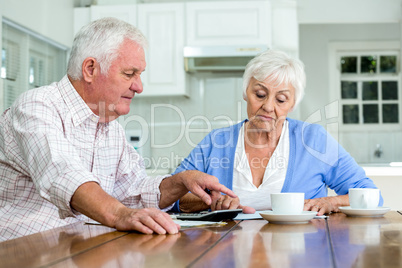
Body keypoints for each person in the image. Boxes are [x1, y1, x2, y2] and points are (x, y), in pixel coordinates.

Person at [0, 17, 237, 241]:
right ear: (90, 69)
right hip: (23, 251)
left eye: (140, 74)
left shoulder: (110, 128)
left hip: (79, 250)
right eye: (129, 74)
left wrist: (180, 181)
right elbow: (63, 174)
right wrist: (120, 215)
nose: (139, 86)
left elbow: (133, 192)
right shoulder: (36, 106)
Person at [172, 49, 383, 215]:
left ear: (292, 104)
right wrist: (210, 202)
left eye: (281, 99)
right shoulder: (216, 142)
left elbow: (371, 195)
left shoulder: (313, 139)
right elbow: (170, 195)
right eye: (260, 94)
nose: (268, 106)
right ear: (246, 92)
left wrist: (331, 202)